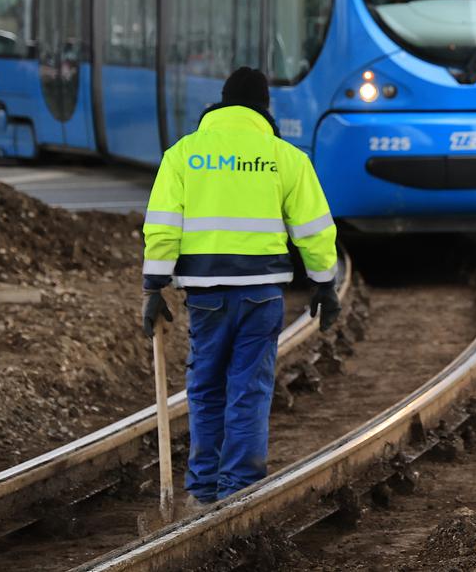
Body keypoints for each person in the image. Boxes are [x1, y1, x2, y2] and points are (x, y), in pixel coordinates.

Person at [140, 66, 341, 507]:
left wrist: (154, 286)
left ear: (221, 102)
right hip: (262, 294)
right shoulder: (285, 156)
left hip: (205, 294)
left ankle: (203, 490)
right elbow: (314, 230)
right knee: (249, 389)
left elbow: (162, 228)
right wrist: (324, 284)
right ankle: (240, 489)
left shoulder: (184, 154)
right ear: (264, 107)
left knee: (206, 388)